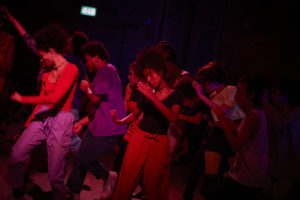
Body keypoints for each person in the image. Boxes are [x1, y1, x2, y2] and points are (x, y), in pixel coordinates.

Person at [2, 6, 89, 154]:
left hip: (55, 107)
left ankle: (91, 161)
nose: (66, 41)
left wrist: (13, 20)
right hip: (70, 109)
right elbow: (86, 87)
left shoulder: (59, 58)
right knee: (54, 144)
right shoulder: (81, 65)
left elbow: (29, 41)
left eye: (69, 40)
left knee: (58, 145)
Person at [7, 23, 78, 200]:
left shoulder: (71, 69)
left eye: (42, 55)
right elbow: (42, 103)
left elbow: (54, 99)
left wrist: (23, 99)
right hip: (42, 116)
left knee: (55, 176)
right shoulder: (46, 72)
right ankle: (17, 188)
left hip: (62, 121)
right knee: (16, 155)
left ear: (51, 51)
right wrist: (26, 126)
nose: (40, 59)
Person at [111, 46, 182, 200]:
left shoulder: (175, 95)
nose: (149, 80)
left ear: (161, 71)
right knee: (127, 177)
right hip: (139, 137)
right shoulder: (148, 94)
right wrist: (119, 121)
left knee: (154, 183)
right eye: (146, 77)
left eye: (151, 75)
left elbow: (172, 118)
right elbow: (135, 114)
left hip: (159, 143)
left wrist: (152, 97)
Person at [66, 41, 127, 200]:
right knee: (80, 158)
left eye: (87, 60)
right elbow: (100, 107)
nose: (86, 64)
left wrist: (86, 88)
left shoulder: (105, 71)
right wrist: (82, 122)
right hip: (97, 125)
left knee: (85, 159)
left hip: (110, 127)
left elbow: (94, 100)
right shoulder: (108, 71)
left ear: (96, 58)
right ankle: (74, 192)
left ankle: (108, 175)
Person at [193, 61, 245, 199]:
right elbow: (216, 117)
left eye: (205, 82)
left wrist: (202, 96)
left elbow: (221, 111)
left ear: (213, 80)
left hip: (232, 133)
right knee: (211, 173)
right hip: (217, 134)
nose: (204, 86)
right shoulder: (212, 96)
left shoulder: (231, 90)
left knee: (233, 171)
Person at [215, 73, 269, 200]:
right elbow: (247, 136)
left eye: (239, 93)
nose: (236, 96)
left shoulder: (253, 116)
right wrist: (229, 123)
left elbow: (236, 145)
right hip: (246, 174)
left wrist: (223, 119)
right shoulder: (256, 113)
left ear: (251, 95)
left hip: (247, 177)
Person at [263, 76, 300, 199]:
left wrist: (266, 103)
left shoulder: (296, 111)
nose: (272, 96)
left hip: (289, 169)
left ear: (287, 94)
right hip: (272, 165)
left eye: (275, 93)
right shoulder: (274, 111)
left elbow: (279, 124)